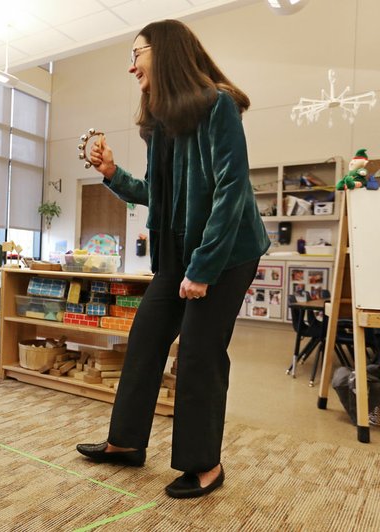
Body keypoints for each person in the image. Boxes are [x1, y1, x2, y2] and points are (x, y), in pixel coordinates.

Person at [75, 20, 270, 499]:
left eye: (137, 53)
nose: (131, 65)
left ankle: (205, 464)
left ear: (164, 52)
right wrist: (111, 172)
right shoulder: (161, 124)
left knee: (200, 353)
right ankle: (126, 443)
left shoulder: (218, 105)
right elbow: (156, 197)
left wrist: (203, 268)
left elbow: (231, 191)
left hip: (226, 252)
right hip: (179, 251)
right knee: (144, 339)